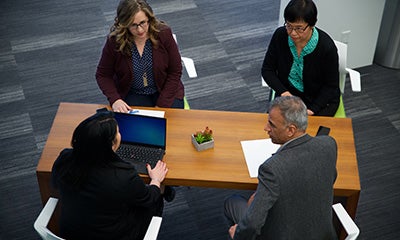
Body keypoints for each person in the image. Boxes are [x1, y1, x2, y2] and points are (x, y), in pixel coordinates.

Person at [224, 96, 338, 240]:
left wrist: (238, 235)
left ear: (291, 130)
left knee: (232, 203)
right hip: (324, 235)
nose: (266, 128)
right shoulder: (328, 144)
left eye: (272, 124)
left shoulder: (271, 169)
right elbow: (331, 178)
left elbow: (252, 224)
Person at [52, 111, 168, 239]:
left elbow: (55, 184)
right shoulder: (123, 176)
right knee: (156, 197)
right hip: (113, 235)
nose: (120, 134)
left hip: (70, 233)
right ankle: (167, 191)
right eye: (118, 132)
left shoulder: (65, 158)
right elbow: (149, 198)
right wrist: (156, 180)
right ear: (111, 145)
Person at [96, 0, 185, 112]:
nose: (140, 30)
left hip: (165, 90)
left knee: (171, 126)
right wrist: (115, 99)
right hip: (134, 93)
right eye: (133, 25)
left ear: (149, 18)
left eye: (143, 22)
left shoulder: (163, 33)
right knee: (137, 127)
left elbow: (175, 71)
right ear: (124, 24)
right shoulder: (114, 41)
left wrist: (161, 106)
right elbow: (103, 75)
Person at [261, 0, 340, 116]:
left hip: (319, 100)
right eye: (289, 26)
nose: (293, 33)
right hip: (289, 96)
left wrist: (311, 110)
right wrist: (284, 93)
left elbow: (331, 86)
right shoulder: (280, 36)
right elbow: (267, 70)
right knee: (277, 127)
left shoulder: (326, 47)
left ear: (312, 25)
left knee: (311, 132)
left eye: (299, 28)